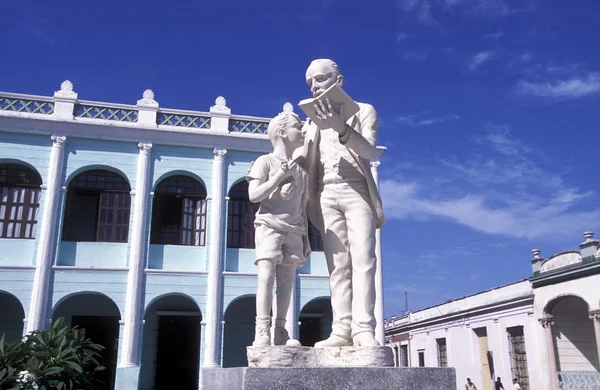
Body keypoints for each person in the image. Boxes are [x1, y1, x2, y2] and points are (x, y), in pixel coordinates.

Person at [302, 58, 385, 347]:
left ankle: (363, 329)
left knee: (363, 259)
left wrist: (341, 127)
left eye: (320, 79)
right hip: (325, 194)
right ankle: (341, 330)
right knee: (338, 265)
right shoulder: (311, 123)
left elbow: (369, 151)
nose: (314, 86)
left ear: (338, 82)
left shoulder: (363, 111)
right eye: (310, 82)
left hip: (356, 189)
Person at [247, 110, 310, 347]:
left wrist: (306, 240)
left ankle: (280, 330)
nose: (302, 130)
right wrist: (278, 178)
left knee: (287, 281)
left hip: (294, 229)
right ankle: (262, 330)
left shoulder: (302, 172)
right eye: (297, 126)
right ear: (283, 132)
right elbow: (254, 195)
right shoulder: (265, 162)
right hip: (268, 226)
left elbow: (302, 208)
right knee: (266, 276)